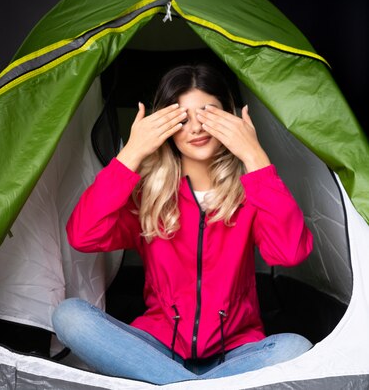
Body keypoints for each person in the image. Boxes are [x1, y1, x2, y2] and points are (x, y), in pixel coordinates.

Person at [51, 63, 314, 385]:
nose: (196, 129)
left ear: (230, 119)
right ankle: (201, 385)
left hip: (235, 352)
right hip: (156, 348)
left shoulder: (253, 192)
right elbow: (83, 235)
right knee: (70, 316)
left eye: (208, 115)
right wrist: (131, 154)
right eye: (181, 118)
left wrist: (255, 157)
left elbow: (289, 254)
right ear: (164, 125)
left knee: (295, 348)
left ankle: (168, 384)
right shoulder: (148, 196)